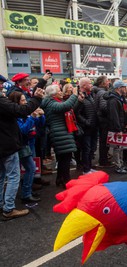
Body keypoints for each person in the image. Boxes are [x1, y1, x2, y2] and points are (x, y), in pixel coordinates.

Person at [0, 87, 44, 220]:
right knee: (13, 176)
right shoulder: (2, 103)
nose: (2, 87)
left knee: (2, 177)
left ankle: (2, 204)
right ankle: (8, 209)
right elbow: (21, 112)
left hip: (5, 145)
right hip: (7, 145)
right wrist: (36, 99)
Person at [41, 85, 80, 188]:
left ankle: (60, 179)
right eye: (59, 91)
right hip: (60, 133)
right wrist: (74, 95)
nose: (61, 92)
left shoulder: (53, 101)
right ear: (53, 94)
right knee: (65, 158)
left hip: (61, 132)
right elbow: (65, 106)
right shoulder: (51, 103)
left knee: (63, 158)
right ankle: (66, 181)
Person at [8, 92, 42, 204]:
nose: (25, 102)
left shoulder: (23, 114)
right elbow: (22, 130)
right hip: (21, 145)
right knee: (29, 169)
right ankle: (25, 194)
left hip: (27, 143)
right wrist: (32, 117)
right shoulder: (15, 115)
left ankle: (27, 191)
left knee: (28, 169)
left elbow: (38, 125)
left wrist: (40, 116)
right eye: (22, 100)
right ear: (16, 102)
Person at [104, 80, 127, 174]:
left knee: (121, 147)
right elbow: (114, 116)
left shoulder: (120, 98)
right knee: (117, 148)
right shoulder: (113, 100)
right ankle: (118, 166)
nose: (125, 89)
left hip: (120, 126)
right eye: (124, 87)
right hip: (116, 128)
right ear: (119, 88)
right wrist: (118, 129)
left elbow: (124, 112)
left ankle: (121, 164)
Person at [76, 77, 97, 174]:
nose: (91, 84)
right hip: (86, 128)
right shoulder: (79, 97)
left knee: (92, 148)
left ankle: (89, 167)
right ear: (84, 85)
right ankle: (86, 169)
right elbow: (76, 113)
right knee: (86, 149)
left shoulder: (90, 95)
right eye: (90, 83)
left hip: (93, 127)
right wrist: (86, 122)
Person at [93, 76, 113, 167]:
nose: (109, 82)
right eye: (107, 81)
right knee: (104, 141)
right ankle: (103, 161)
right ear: (102, 83)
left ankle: (104, 159)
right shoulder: (102, 93)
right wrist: (113, 110)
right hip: (104, 121)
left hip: (101, 120)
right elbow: (104, 107)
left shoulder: (99, 91)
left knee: (103, 141)